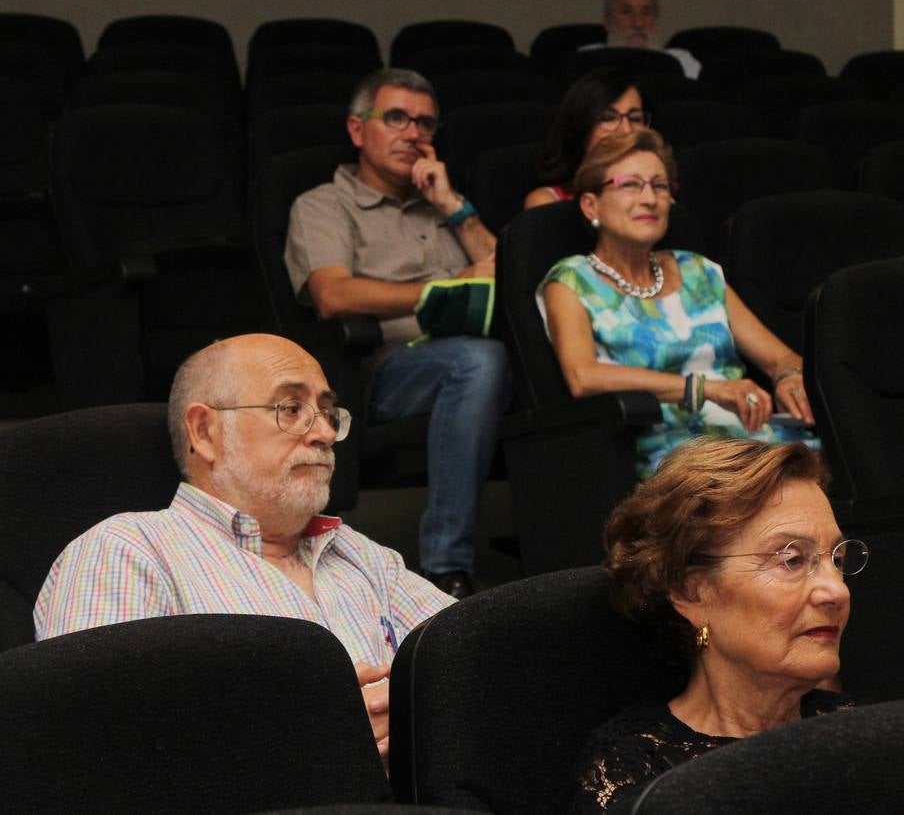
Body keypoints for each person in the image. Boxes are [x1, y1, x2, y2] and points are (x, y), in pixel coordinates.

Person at [34, 333, 456, 763]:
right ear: (205, 431)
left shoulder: (364, 556)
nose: (325, 433)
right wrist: (319, 736)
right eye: (291, 409)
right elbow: (89, 748)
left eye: (328, 413)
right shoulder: (126, 551)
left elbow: (475, 664)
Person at [283, 68, 512, 599]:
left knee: (511, 355)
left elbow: (509, 272)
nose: (414, 133)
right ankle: (445, 567)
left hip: (470, 354)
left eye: (426, 124)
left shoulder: (445, 207)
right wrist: (447, 287)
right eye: (397, 119)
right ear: (358, 130)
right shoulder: (322, 204)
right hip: (379, 367)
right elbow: (332, 294)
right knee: (479, 361)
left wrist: (453, 203)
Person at [570, 438, 866, 812]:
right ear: (691, 592)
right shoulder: (637, 777)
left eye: (836, 559)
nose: (837, 591)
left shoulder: (861, 735)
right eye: (791, 560)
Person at [538, 129, 816, 480]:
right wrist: (704, 389)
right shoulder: (571, 280)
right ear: (590, 204)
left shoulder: (699, 271)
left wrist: (789, 377)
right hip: (669, 455)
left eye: (660, 185)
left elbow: (780, 358)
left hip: (750, 440)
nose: (649, 198)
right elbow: (583, 376)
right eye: (630, 184)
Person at [524, 68, 648, 209]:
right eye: (608, 118)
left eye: (635, 119)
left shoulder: (655, 195)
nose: (626, 130)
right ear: (581, 127)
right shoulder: (547, 201)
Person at [579, 0, 701, 79]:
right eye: (626, 12)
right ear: (607, 22)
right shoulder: (587, 60)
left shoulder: (682, 62)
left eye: (646, 13)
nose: (638, 23)